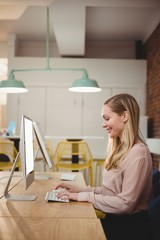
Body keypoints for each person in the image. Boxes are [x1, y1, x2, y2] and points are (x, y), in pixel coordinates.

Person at [55, 93, 153, 240]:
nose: (103, 124)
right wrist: (80, 190)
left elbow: (125, 204)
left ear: (125, 116)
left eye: (107, 118)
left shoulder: (138, 153)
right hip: (117, 220)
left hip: (130, 228)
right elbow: (112, 192)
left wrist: (83, 196)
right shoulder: (121, 149)